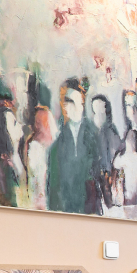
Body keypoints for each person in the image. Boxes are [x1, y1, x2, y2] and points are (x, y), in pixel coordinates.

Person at [46, 79, 92, 213]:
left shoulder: (93, 137)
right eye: (64, 101)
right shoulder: (57, 147)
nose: (65, 106)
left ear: (82, 103)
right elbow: (53, 189)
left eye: (69, 101)